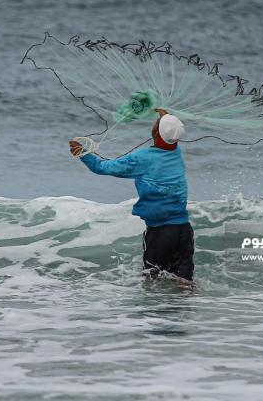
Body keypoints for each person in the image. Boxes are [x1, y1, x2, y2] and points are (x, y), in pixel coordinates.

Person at [68, 108, 194, 282]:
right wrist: (164, 116)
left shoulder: (142, 158)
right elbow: (170, 132)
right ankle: (190, 307)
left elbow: (101, 167)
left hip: (160, 234)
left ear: (155, 132)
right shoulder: (176, 152)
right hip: (184, 231)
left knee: (152, 282)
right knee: (184, 283)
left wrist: (82, 152)